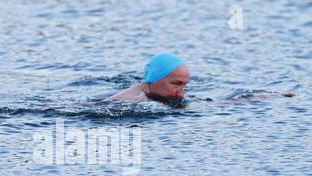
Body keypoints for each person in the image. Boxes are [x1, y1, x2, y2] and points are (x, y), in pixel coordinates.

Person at [107, 52, 294, 104]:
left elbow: (217, 104)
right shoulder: (128, 101)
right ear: (153, 79)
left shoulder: (160, 95)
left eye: (184, 85)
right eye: (176, 84)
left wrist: (269, 96)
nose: (181, 92)